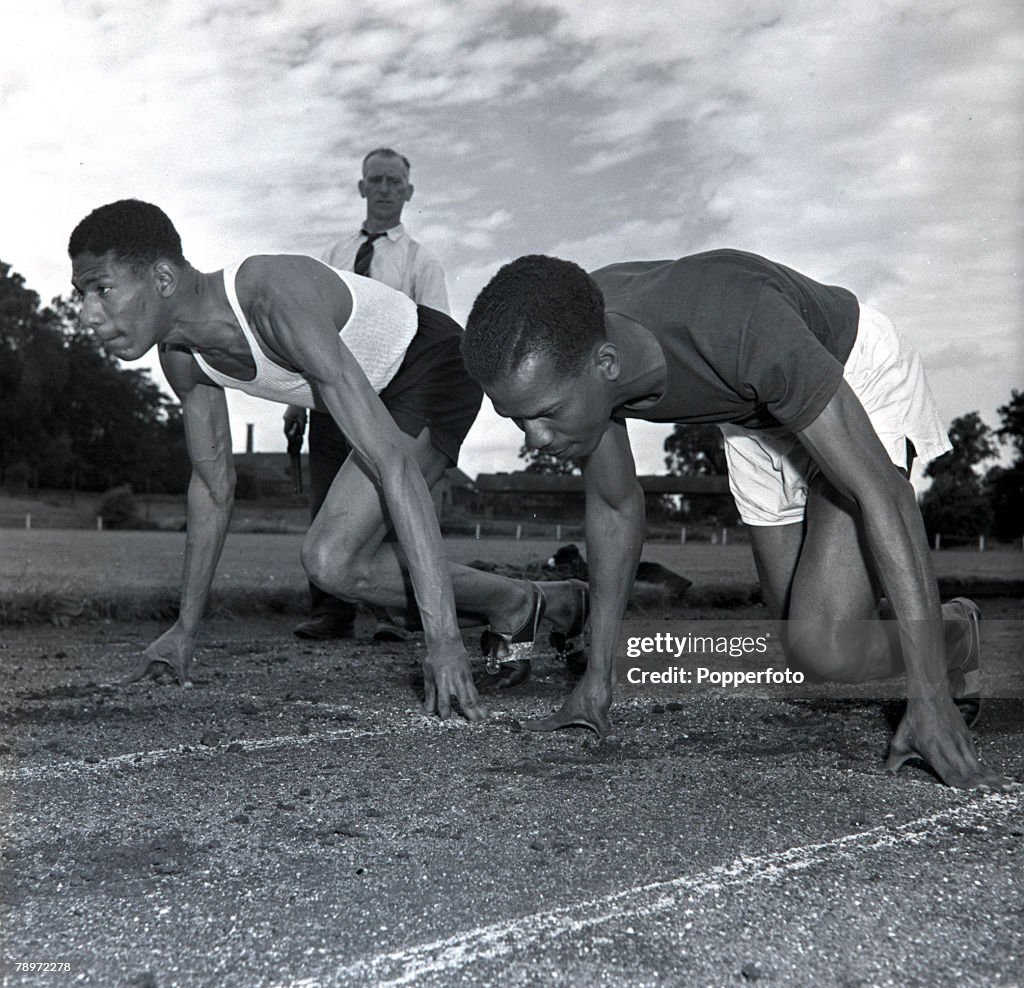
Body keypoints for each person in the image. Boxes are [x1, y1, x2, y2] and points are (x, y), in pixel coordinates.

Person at [462, 249, 1016, 790]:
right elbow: (613, 506)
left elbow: (886, 496)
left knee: (826, 647)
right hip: (752, 416)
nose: (533, 440)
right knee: (803, 647)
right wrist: (596, 682)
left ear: (606, 365)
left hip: (851, 374)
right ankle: (889, 612)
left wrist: (930, 700)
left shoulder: (738, 320)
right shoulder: (577, 345)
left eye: (547, 415)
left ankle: (953, 635)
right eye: (516, 419)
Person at [68, 199, 588, 719]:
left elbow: (394, 466)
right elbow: (211, 488)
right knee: (331, 564)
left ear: (161, 278)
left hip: (429, 363)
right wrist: (184, 629)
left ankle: (515, 604)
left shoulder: (271, 297)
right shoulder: (182, 358)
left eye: (103, 289)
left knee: (333, 554)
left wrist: (443, 640)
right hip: (371, 390)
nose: (89, 315)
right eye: (82, 295)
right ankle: (529, 600)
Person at [284, 148, 450, 642]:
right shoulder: (334, 256)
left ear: (408, 192)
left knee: (390, 503)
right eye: (375, 180)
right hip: (331, 397)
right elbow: (308, 329)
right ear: (361, 187)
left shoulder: (421, 261)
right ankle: (330, 612)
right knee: (326, 504)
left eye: (393, 181)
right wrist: (297, 397)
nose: (383, 189)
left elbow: (439, 335)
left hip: (391, 402)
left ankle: (393, 615)